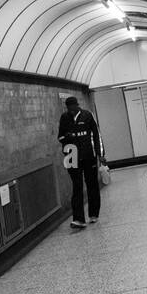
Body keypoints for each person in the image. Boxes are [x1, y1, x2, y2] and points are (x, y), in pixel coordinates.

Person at [57, 96, 103, 229]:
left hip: (88, 156)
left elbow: (96, 135)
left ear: (77, 106)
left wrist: (100, 154)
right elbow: (60, 137)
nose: (71, 111)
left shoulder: (87, 116)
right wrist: (67, 137)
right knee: (76, 186)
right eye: (68, 109)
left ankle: (93, 213)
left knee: (92, 184)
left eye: (73, 108)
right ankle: (78, 219)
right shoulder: (64, 118)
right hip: (71, 156)